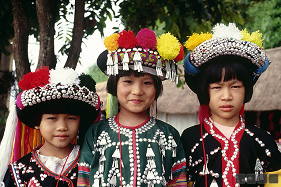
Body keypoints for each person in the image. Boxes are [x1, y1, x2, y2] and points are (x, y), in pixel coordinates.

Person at [77, 28, 187, 186]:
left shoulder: (169, 135)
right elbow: (84, 181)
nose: (137, 91)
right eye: (128, 81)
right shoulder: (95, 133)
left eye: (147, 83)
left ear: (157, 89)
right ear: (114, 86)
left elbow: (178, 181)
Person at [180, 23, 281, 187]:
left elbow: (275, 180)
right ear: (205, 92)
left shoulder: (262, 139)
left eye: (235, 87)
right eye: (217, 87)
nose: (226, 96)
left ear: (246, 90)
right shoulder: (189, 138)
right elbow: (183, 181)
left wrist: (243, 179)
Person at [0, 67, 101, 187]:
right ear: (37, 122)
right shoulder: (20, 171)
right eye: (52, 118)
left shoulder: (93, 161)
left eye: (71, 118)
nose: (62, 127)